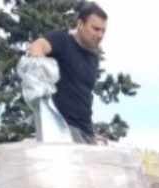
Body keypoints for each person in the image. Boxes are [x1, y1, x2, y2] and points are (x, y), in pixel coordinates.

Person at [26, 2, 107, 144]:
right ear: (80, 24)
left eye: (103, 31)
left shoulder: (93, 57)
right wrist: (41, 71)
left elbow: (83, 99)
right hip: (63, 130)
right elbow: (37, 46)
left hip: (86, 132)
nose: (100, 35)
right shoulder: (63, 40)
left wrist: (91, 133)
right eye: (95, 29)